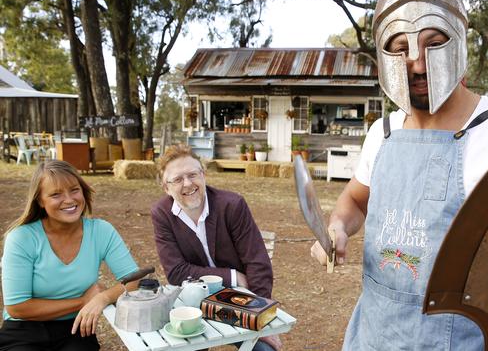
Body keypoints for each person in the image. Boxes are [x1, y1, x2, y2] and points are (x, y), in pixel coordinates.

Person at [310, 0, 488, 349]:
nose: (416, 63)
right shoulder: (381, 133)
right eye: (399, 49)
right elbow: (354, 201)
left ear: (459, 40)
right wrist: (337, 227)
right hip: (374, 334)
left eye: (433, 43)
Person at [0, 160, 140, 351]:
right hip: (23, 331)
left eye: (74, 190)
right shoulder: (21, 238)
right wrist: (82, 301)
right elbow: (17, 307)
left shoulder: (101, 231)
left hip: (75, 329)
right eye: (56, 194)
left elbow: (134, 280)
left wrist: (103, 297)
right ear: (40, 200)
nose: (69, 200)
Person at [151, 144, 279, 350]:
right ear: (166, 188)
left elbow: (258, 262)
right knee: (187, 347)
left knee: (264, 350)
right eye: (177, 179)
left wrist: (261, 318)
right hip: (193, 300)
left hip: (240, 298)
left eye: (193, 174)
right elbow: (176, 272)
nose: (187, 183)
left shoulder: (232, 205)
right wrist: (233, 276)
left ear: (204, 175)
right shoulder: (162, 214)